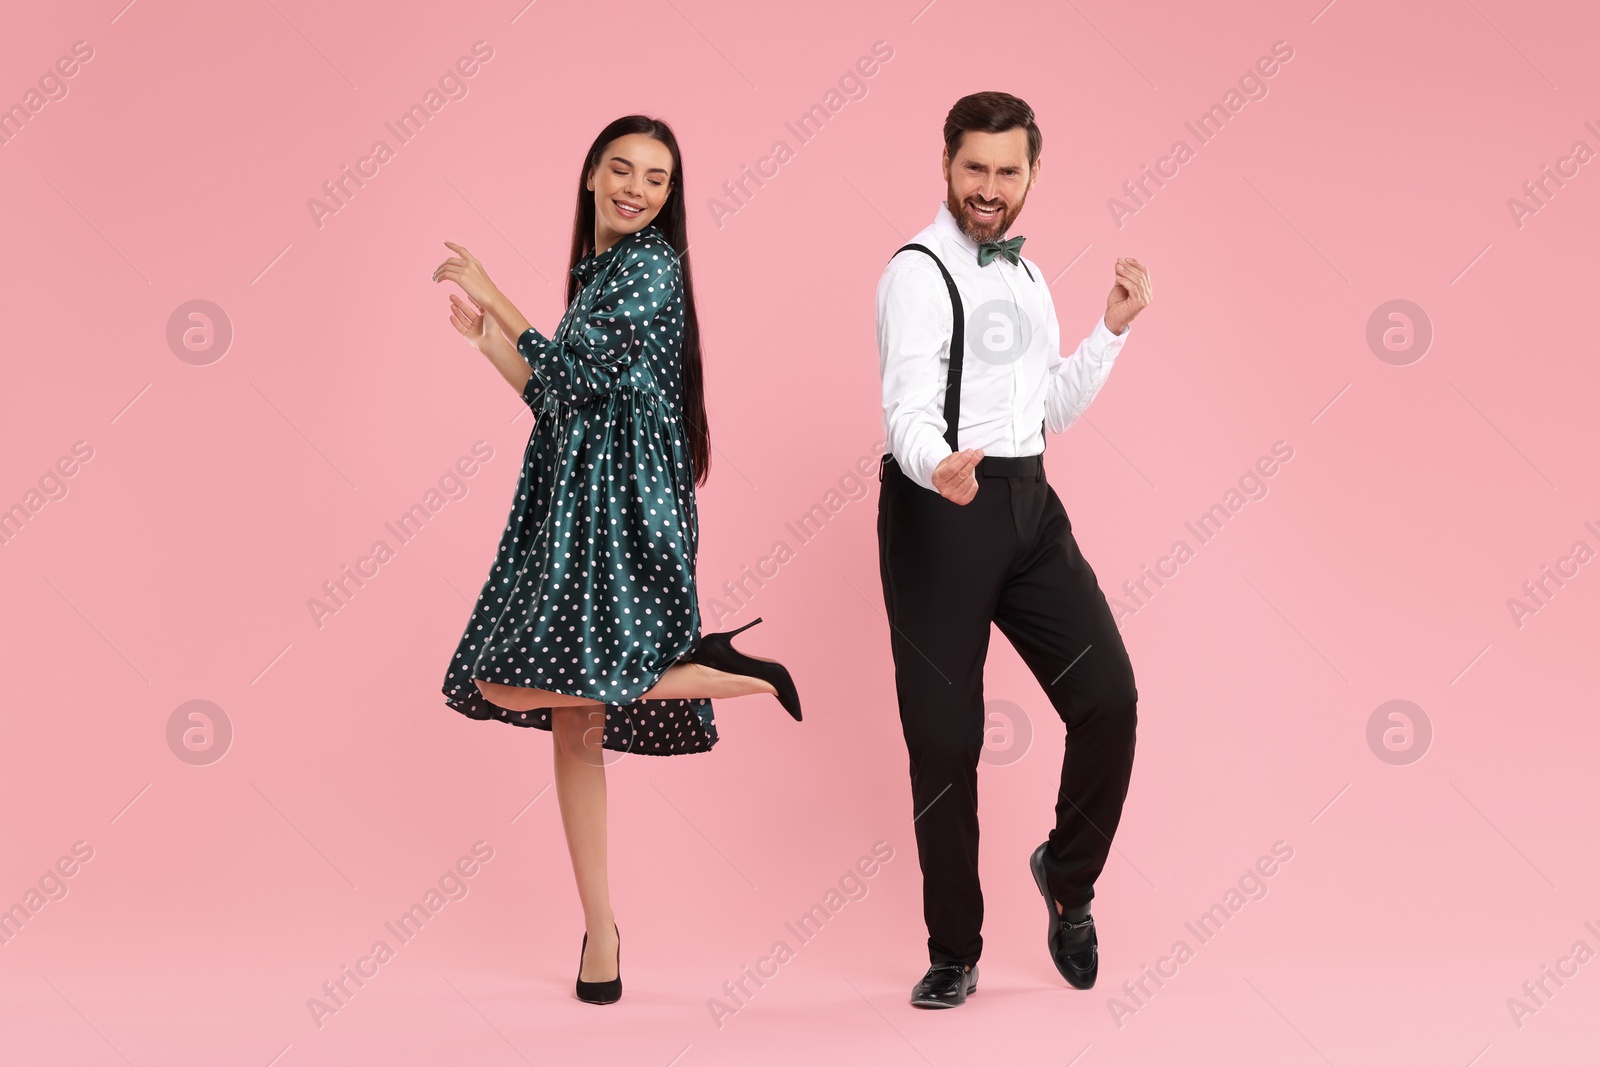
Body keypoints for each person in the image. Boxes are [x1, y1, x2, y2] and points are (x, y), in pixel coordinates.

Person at [433, 115, 801, 1006]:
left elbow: (562, 380)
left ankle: (724, 668)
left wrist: (496, 292)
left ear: (671, 197)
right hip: (575, 503)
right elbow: (558, 396)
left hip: (622, 511)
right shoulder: (599, 272)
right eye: (623, 170)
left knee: (524, 682)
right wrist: (490, 338)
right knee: (571, 714)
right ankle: (602, 930)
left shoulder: (649, 267)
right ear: (592, 175)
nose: (638, 189)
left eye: (658, 178)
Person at [874, 91, 1153, 1008]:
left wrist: (1109, 330)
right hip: (939, 509)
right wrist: (933, 465)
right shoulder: (918, 272)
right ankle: (954, 948)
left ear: (1031, 174)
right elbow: (907, 404)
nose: (989, 189)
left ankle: (1067, 878)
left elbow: (1047, 414)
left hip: (1030, 505)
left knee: (1109, 697)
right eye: (974, 169)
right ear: (946, 165)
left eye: (1007, 171)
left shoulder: (1030, 279)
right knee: (945, 742)